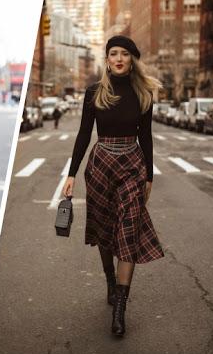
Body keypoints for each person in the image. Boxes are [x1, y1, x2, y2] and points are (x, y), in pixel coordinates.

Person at [62, 35, 163, 337]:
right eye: (113, 54)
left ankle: (120, 306)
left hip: (133, 164)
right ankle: (109, 279)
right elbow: (83, 134)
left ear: (132, 59)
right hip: (101, 163)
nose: (118, 58)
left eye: (125, 54)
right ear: (107, 59)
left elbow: (146, 136)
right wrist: (71, 174)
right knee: (105, 230)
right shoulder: (95, 92)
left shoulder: (143, 93)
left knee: (129, 230)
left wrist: (149, 176)